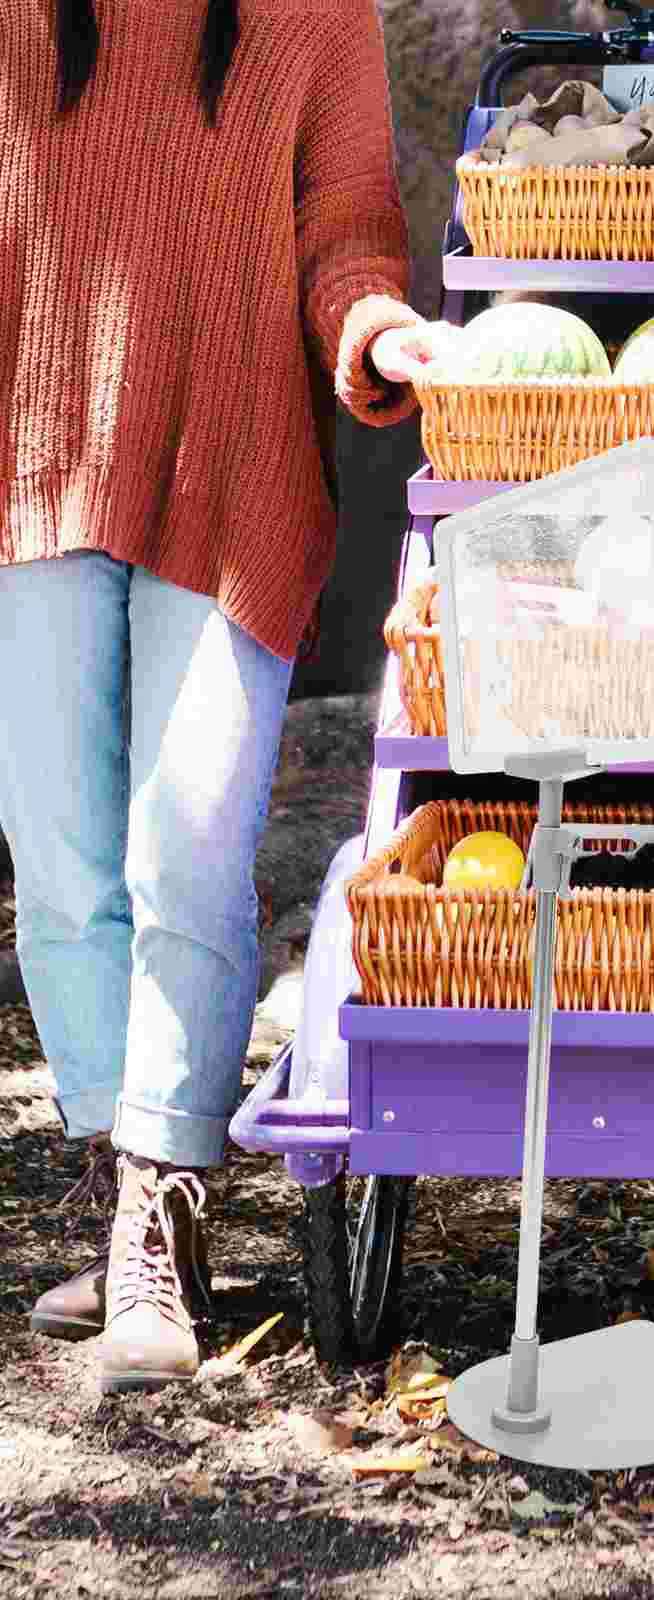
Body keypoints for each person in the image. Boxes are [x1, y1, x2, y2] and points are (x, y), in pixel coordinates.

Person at [8, 0, 456, 1392]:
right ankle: (123, 1166)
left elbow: (351, 231)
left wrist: (379, 329)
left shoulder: (315, 12)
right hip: (35, 449)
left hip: (236, 465)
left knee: (184, 846)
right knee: (62, 853)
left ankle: (163, 1203)